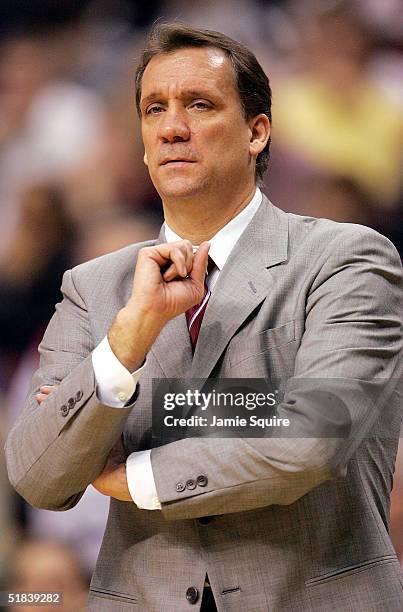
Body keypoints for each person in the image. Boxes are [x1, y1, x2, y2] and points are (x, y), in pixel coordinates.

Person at [5, 22, 403, 612]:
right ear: (141, 142)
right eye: (154, 110)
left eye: (199, 104)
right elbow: (38, 473)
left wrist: (134, 473)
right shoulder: (92, 289)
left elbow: (313, 439)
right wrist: (126, 340)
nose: (172, 128)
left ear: (256, 132)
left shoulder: (346, 259)